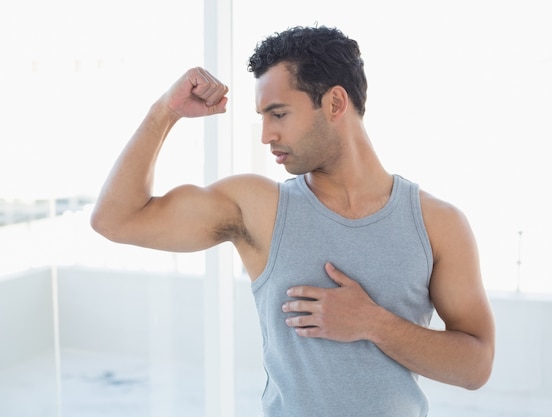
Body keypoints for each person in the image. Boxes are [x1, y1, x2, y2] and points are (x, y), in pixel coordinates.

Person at [91, 26, 495, 417]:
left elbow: (475, 367)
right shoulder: (258, 207)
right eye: (263, 117)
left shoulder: (437, 222)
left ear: (335, 104)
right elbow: (116, 220)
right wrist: (165, 111)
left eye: (278, 113)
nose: (266, 135)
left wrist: (374, 324)